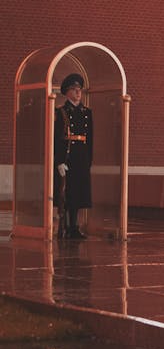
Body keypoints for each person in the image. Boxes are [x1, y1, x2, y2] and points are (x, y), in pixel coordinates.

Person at [54, 73, 93, 239]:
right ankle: (66, 227)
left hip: (81, 157)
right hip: (67, 157)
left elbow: (90, 138)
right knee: (67, 193)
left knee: (78, 192)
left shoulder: (87, 112)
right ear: (67, 92)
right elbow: (56, 139)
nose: (78, 93)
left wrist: (89, 159)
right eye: (74, 90)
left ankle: (74, 227)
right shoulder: (60, 112)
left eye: (79, 90)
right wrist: (59, 161)